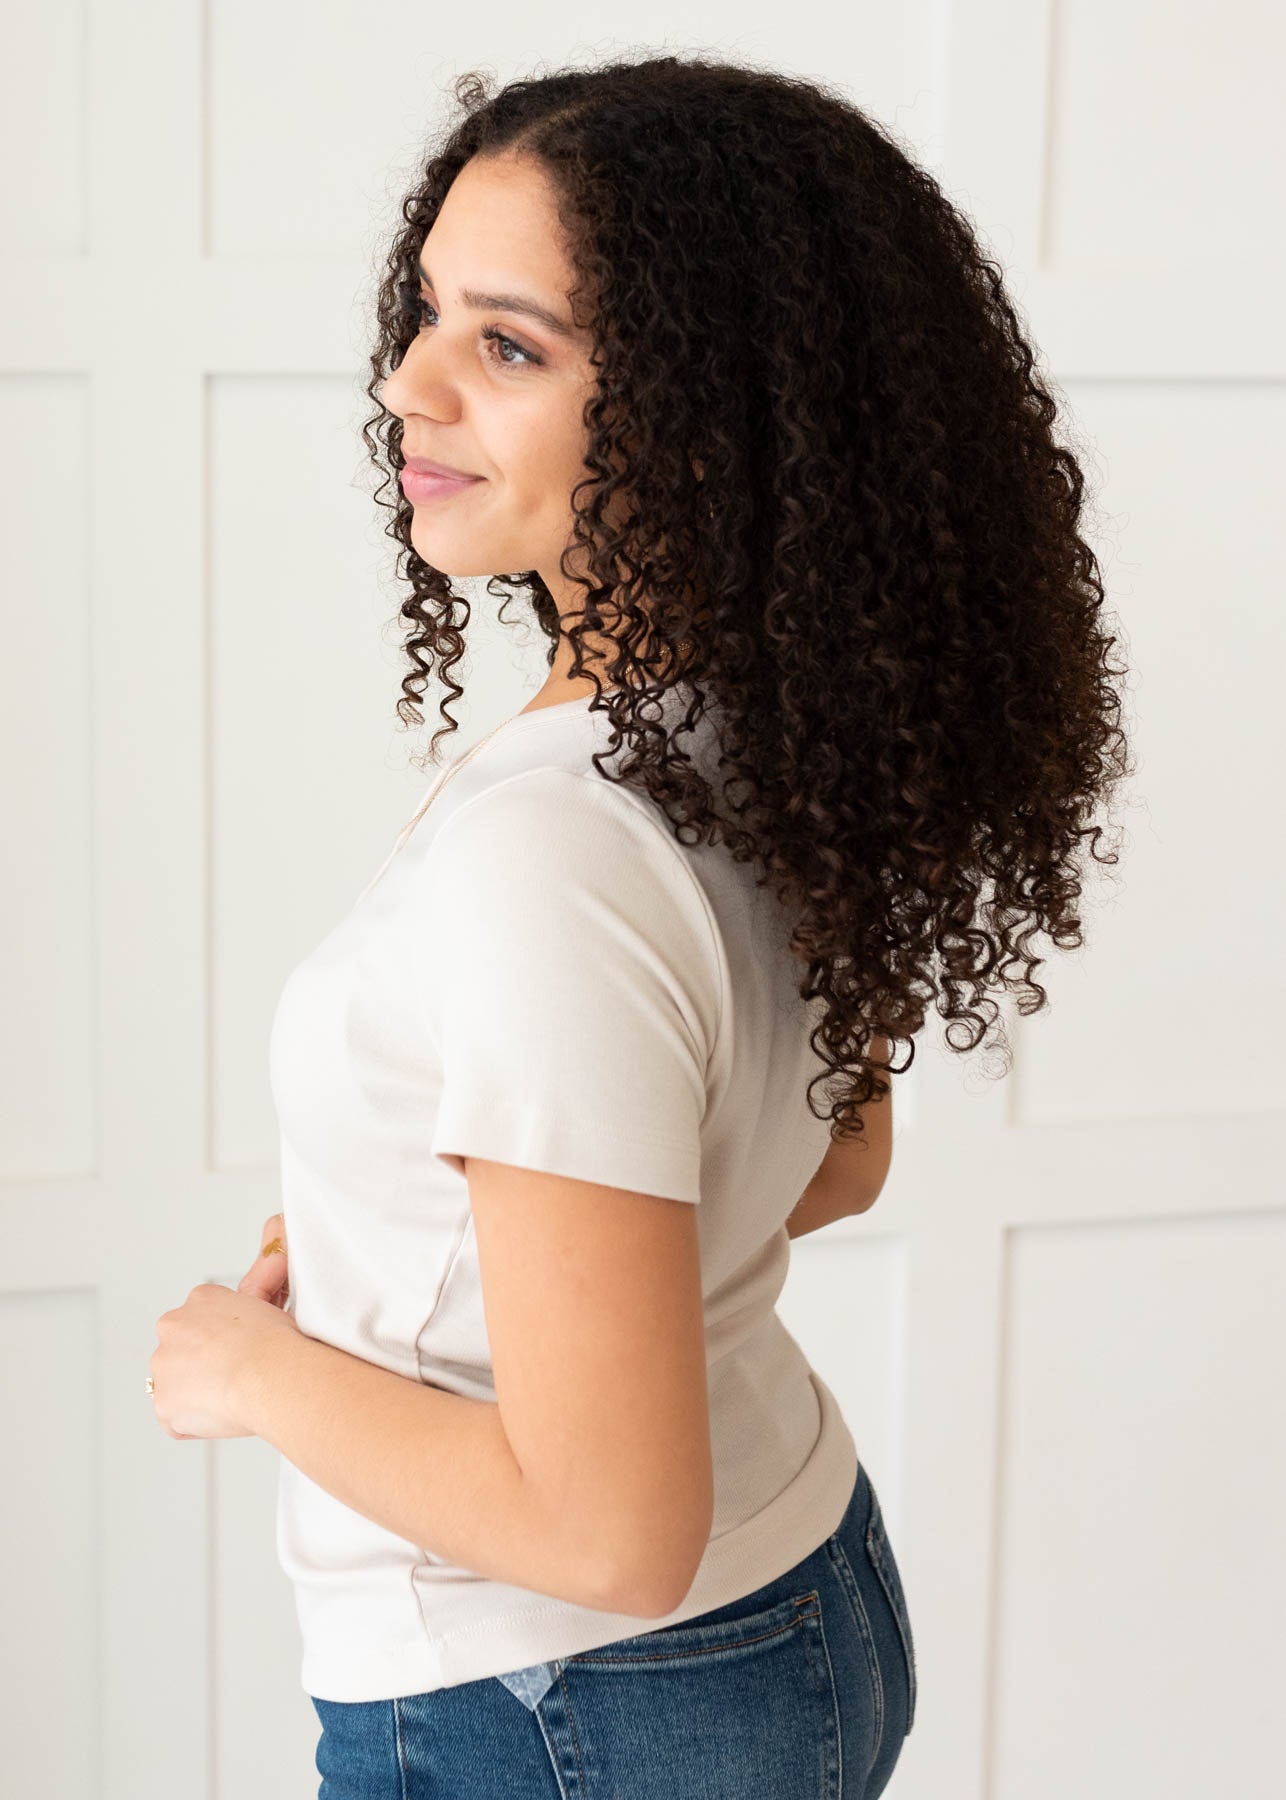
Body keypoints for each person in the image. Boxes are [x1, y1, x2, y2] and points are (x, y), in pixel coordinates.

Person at [150, 49, 1130, 1800]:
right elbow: (831, 1160)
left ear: (701, 410)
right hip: (797, 1586)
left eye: (505, 346)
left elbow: (607, 1536)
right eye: (429, 315)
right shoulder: (776, 728)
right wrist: (433, 1213)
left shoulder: (556, 851)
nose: (407, 385)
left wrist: (252, 1373)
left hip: (560, 1698)